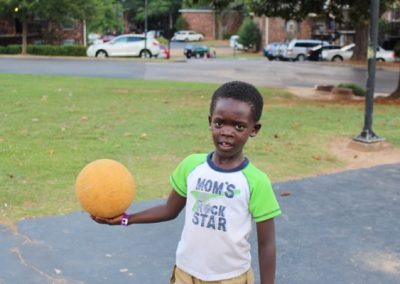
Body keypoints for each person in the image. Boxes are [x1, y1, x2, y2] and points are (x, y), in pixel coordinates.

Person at [92, 81, 281, 284]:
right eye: (219, 123)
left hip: (229, 278)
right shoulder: (192, 165)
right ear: (210, 121)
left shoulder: (256, 181)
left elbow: (267, 244)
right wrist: (126, 219)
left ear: (254, 129)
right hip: (185, 273)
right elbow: (169, 210)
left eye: (239, 126)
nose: (227, 131)